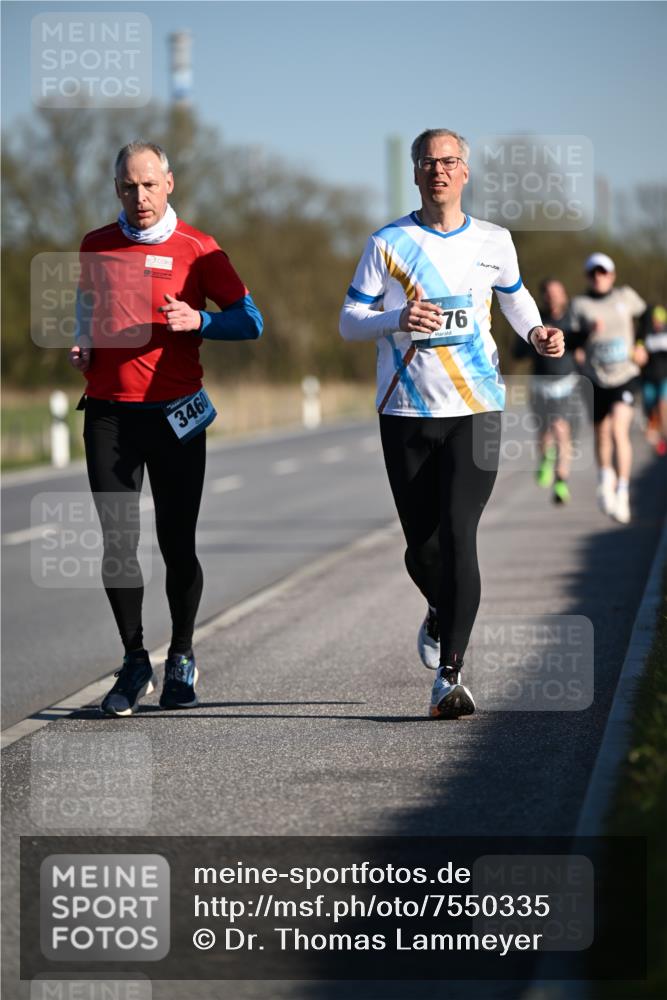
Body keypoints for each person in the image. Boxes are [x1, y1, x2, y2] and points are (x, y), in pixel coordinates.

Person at [339, 128, 563, 719]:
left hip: (477, 409)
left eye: (449, 161)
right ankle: (440, 610)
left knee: (460, 533)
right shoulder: (388, 242)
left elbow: (513, 298)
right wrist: (395, 316)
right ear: (416, 173)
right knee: (422, 547)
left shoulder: (494, 240)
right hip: (406, 411)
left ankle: (450, 675)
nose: (439, 170)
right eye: (428, 162)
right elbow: (349, 321)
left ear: (465, 172)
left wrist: (536, 332)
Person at [69, 141, 263, 717]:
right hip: (108, 411)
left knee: (177, 544)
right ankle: (133, 660)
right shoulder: (96, 245)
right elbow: (85, 306)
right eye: (129, 186)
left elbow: (250, 321)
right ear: (116, 190)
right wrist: (82, 341)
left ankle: (180, 653)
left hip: (176, 414)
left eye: (149, 184)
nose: (140, 196)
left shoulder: (198, 248)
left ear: (169, 183)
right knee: (119, 544)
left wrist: (200, 318)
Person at [570, 252, 646, 524]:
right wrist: (587, 333)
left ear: (611, 275)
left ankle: (623, 492)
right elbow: (569, 340)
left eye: (603, 272)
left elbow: (648, 315)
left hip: (624, 374)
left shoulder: (625, 297)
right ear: (588, 277)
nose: (598, 277)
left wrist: (640, 345)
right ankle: (605, 481)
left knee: (618, 429)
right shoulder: (580, 304)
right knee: (602, 433)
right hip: (595, 377)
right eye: (593, 273)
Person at [513, 278, 581, 504]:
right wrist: (534, 341)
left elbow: (586, 341)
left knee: (561, 429)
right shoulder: (535, 320)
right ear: (543, 296)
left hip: (565, 385)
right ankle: (545, 458)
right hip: (540, 385)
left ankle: (561, 482)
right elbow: (517, 351)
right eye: (548, 293)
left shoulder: (574, 317)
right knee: (544, 432)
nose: (552, 297)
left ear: (564, 295)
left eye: (556, 292)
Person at [636, 304, 667, 456]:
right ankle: (659, 438)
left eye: (660, 320)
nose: (657, 323)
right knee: (651, 412)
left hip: (665, 378)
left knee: (663, 405)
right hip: (648, 378)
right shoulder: (644, 335)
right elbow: (637, 351)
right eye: (655, 319)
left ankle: (664, 437)